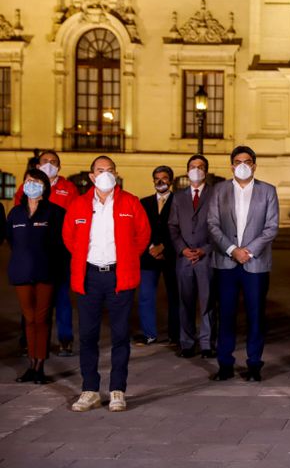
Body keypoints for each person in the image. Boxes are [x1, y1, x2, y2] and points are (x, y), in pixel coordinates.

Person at [64, 156, 150, 412]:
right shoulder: (78, 204)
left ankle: (117, 390)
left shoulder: (130, 202)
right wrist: (85, 257)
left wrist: (126, 258)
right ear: (91, 176)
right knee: (88, 335)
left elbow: (143, 235)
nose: (105, 174)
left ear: (116, 173)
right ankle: (90, 390)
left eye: (109, 170)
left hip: (118, 276)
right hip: (89, 276)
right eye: (100, 170)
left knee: (120, 335)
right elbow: (69, 237)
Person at [208, 146, 279, 382]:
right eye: (238, 161)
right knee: (225, 315)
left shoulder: (268, 191)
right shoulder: (219, 190)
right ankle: (225, 365)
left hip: (255, 264)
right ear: (231, 165)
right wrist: (232, 250)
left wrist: (248, 251)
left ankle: (254, 365)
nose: (242, 165)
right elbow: (212, 224)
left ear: (254, 165)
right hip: (225, 262)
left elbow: (271, 227)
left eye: (247, 161)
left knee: (256, 315)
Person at [13, 150, 78, 356]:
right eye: (45, 161)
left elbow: (74, 217)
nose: (49, 164)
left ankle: (65, 340)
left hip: (61, 253)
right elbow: (16, 223)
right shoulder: (25, 187)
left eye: (53, 161)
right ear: (37, 165)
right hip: (32, 257)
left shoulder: (69, 188)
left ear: (59, 166)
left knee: (62, 299)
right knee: (30, 302)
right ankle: (28, 341)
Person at [7, 169, 66, 384]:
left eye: (37, 181)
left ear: (44, 186)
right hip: (22, 272)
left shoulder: (55, 212)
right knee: (29, 319)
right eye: (28, 181)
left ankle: (39, 365)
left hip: (46, 272)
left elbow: (61, 245)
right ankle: (31, 364)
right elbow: (12, 241)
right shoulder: (15, 213)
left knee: (41, 319)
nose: (32, 184)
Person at [168, 154, 216, 359]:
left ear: (206, 171)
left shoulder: (215, 194)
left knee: (208, 302)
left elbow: (222, 226)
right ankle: (187, 343)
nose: (196, 170)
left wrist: (206, 249)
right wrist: (182, 249)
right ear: (187, 171)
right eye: (193, 166)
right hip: (184, 259)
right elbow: (173, 226)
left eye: (201, 166)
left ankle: (207, 344)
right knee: (185, 302)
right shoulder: (178, 197)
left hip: (207, 258)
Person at [137, 165, 178, 346]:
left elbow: (182, 229)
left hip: (172, 256)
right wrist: (151, 248)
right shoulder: (144, 202)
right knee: (145, 296)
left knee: (175, 296)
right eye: (157, 178)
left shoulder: (179, 202)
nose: (160, 181)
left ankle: (175, 336)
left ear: (171, 181)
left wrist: (164, 247)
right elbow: (139, 228)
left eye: (165, 178)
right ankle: (149, 334)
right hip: (148, 256)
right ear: (153, 180)